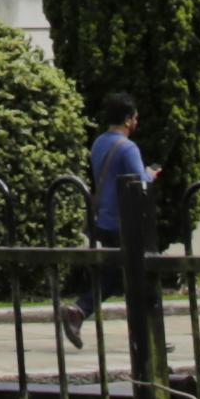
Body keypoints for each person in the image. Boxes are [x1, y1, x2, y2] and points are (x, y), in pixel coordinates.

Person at [59, 90, 150, 339]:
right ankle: (146, 335)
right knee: (138, 276)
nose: (137, 122)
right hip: (123, 221)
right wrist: (151, 175)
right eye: (136, 118)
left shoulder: (99, 142)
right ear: (129, 119)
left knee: (116, 277)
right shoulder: (128, 148)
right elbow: (138, 183)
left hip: (104, 220)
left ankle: (80, 310)